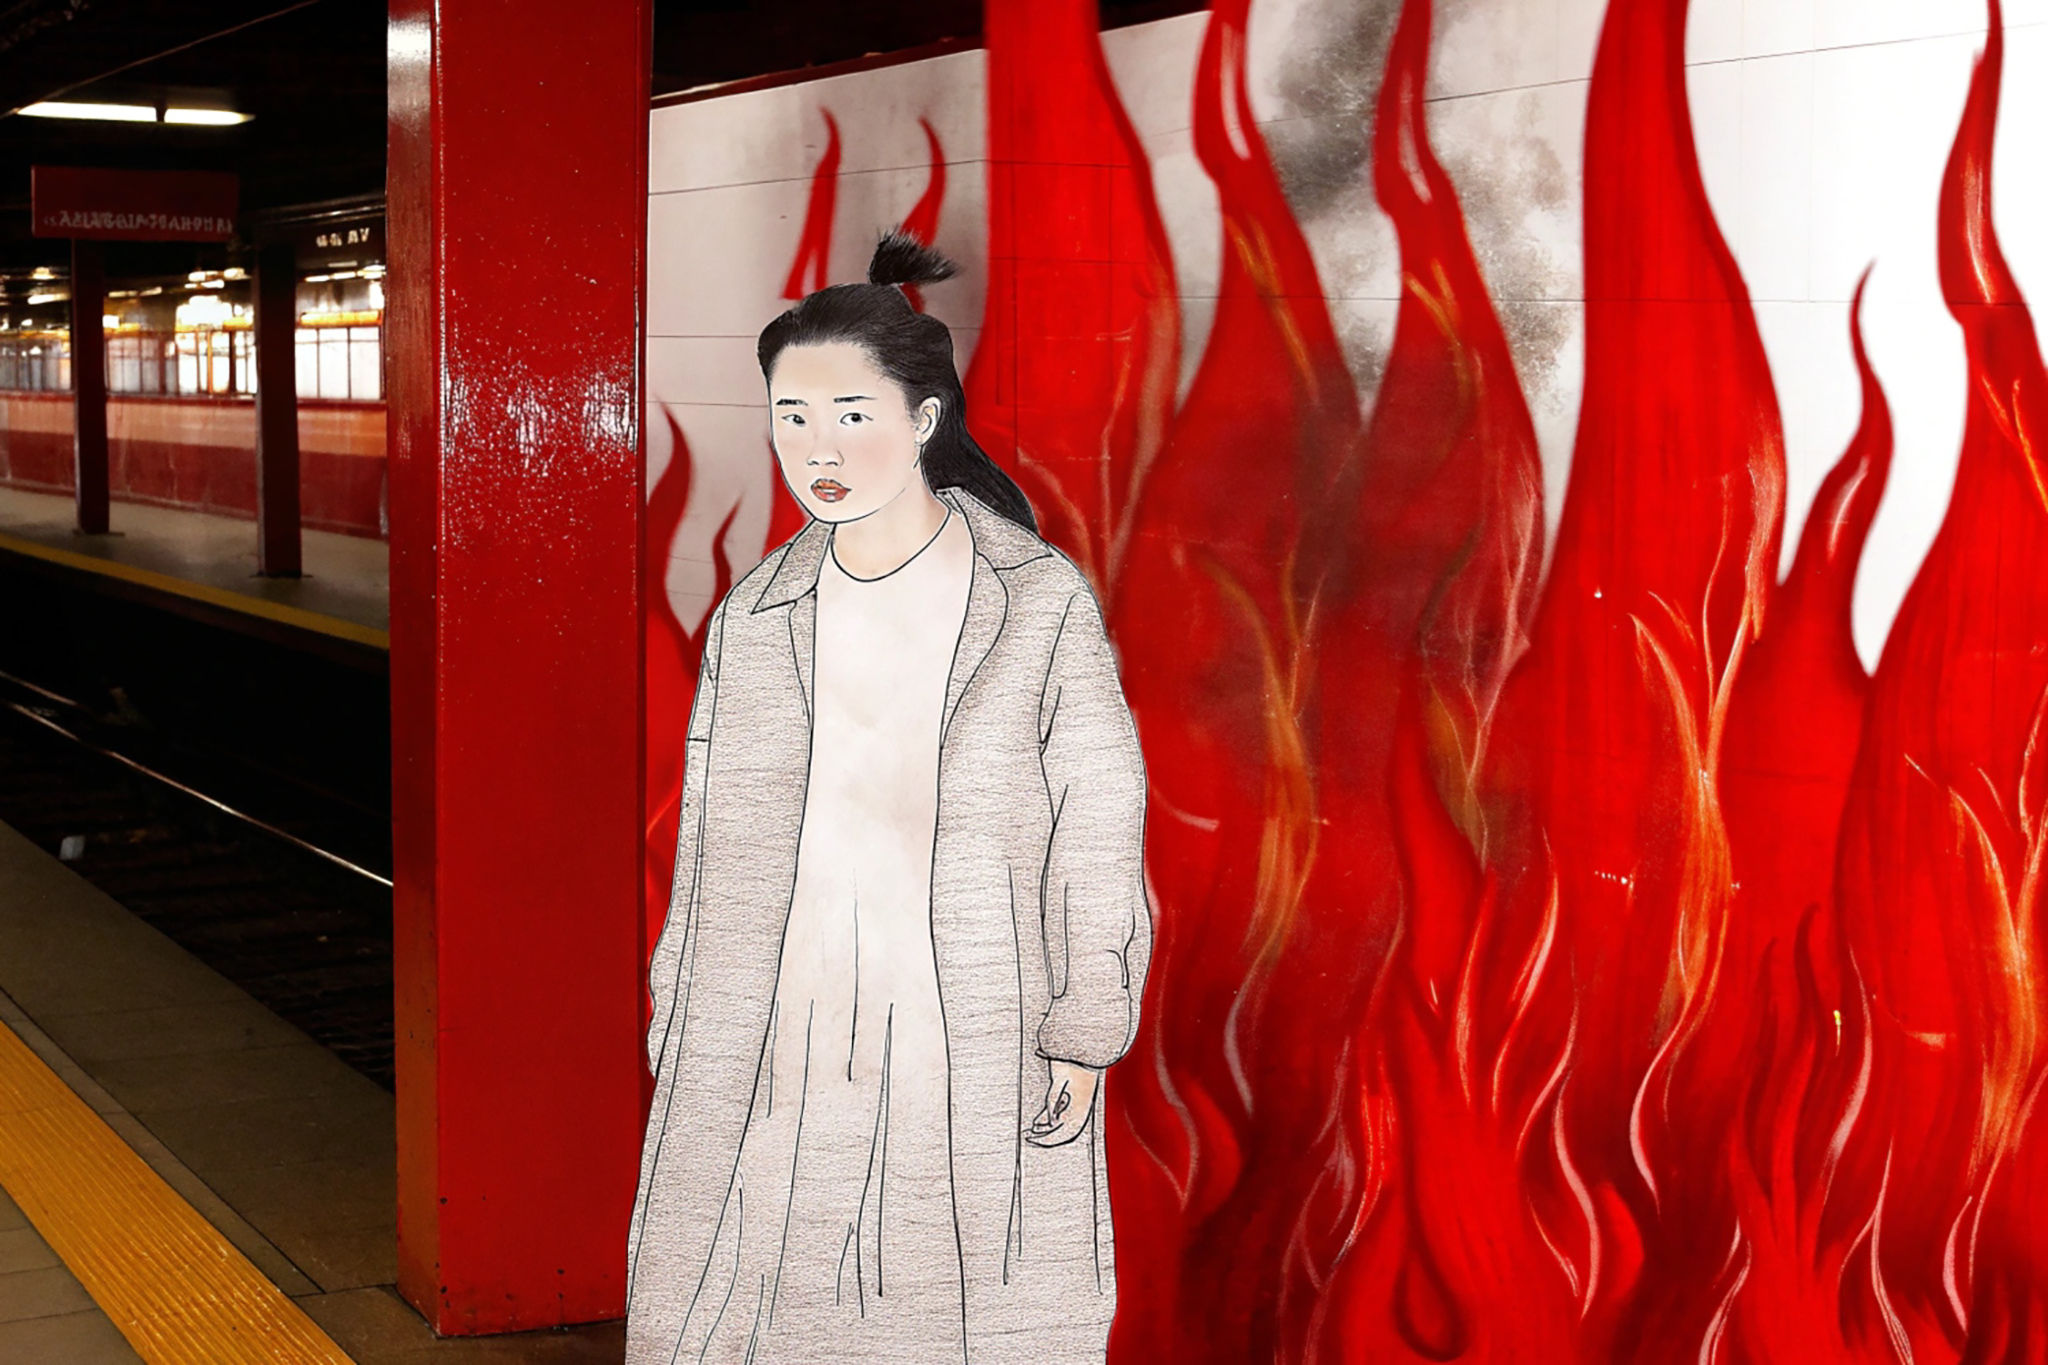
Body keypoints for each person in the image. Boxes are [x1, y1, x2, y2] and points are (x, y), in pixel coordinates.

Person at [625, 229, 1153, 1365]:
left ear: (922, 421)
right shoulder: (757, 616)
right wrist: (678, 999)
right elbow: (711, 834)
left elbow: (1097, 814)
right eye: (791, 416)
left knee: (955, 1291)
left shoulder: (1032, 599)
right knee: (754, 1288)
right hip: (778, 999)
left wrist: (1085, 1014)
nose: (816, 448)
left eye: (850, 416)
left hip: (966, 996)